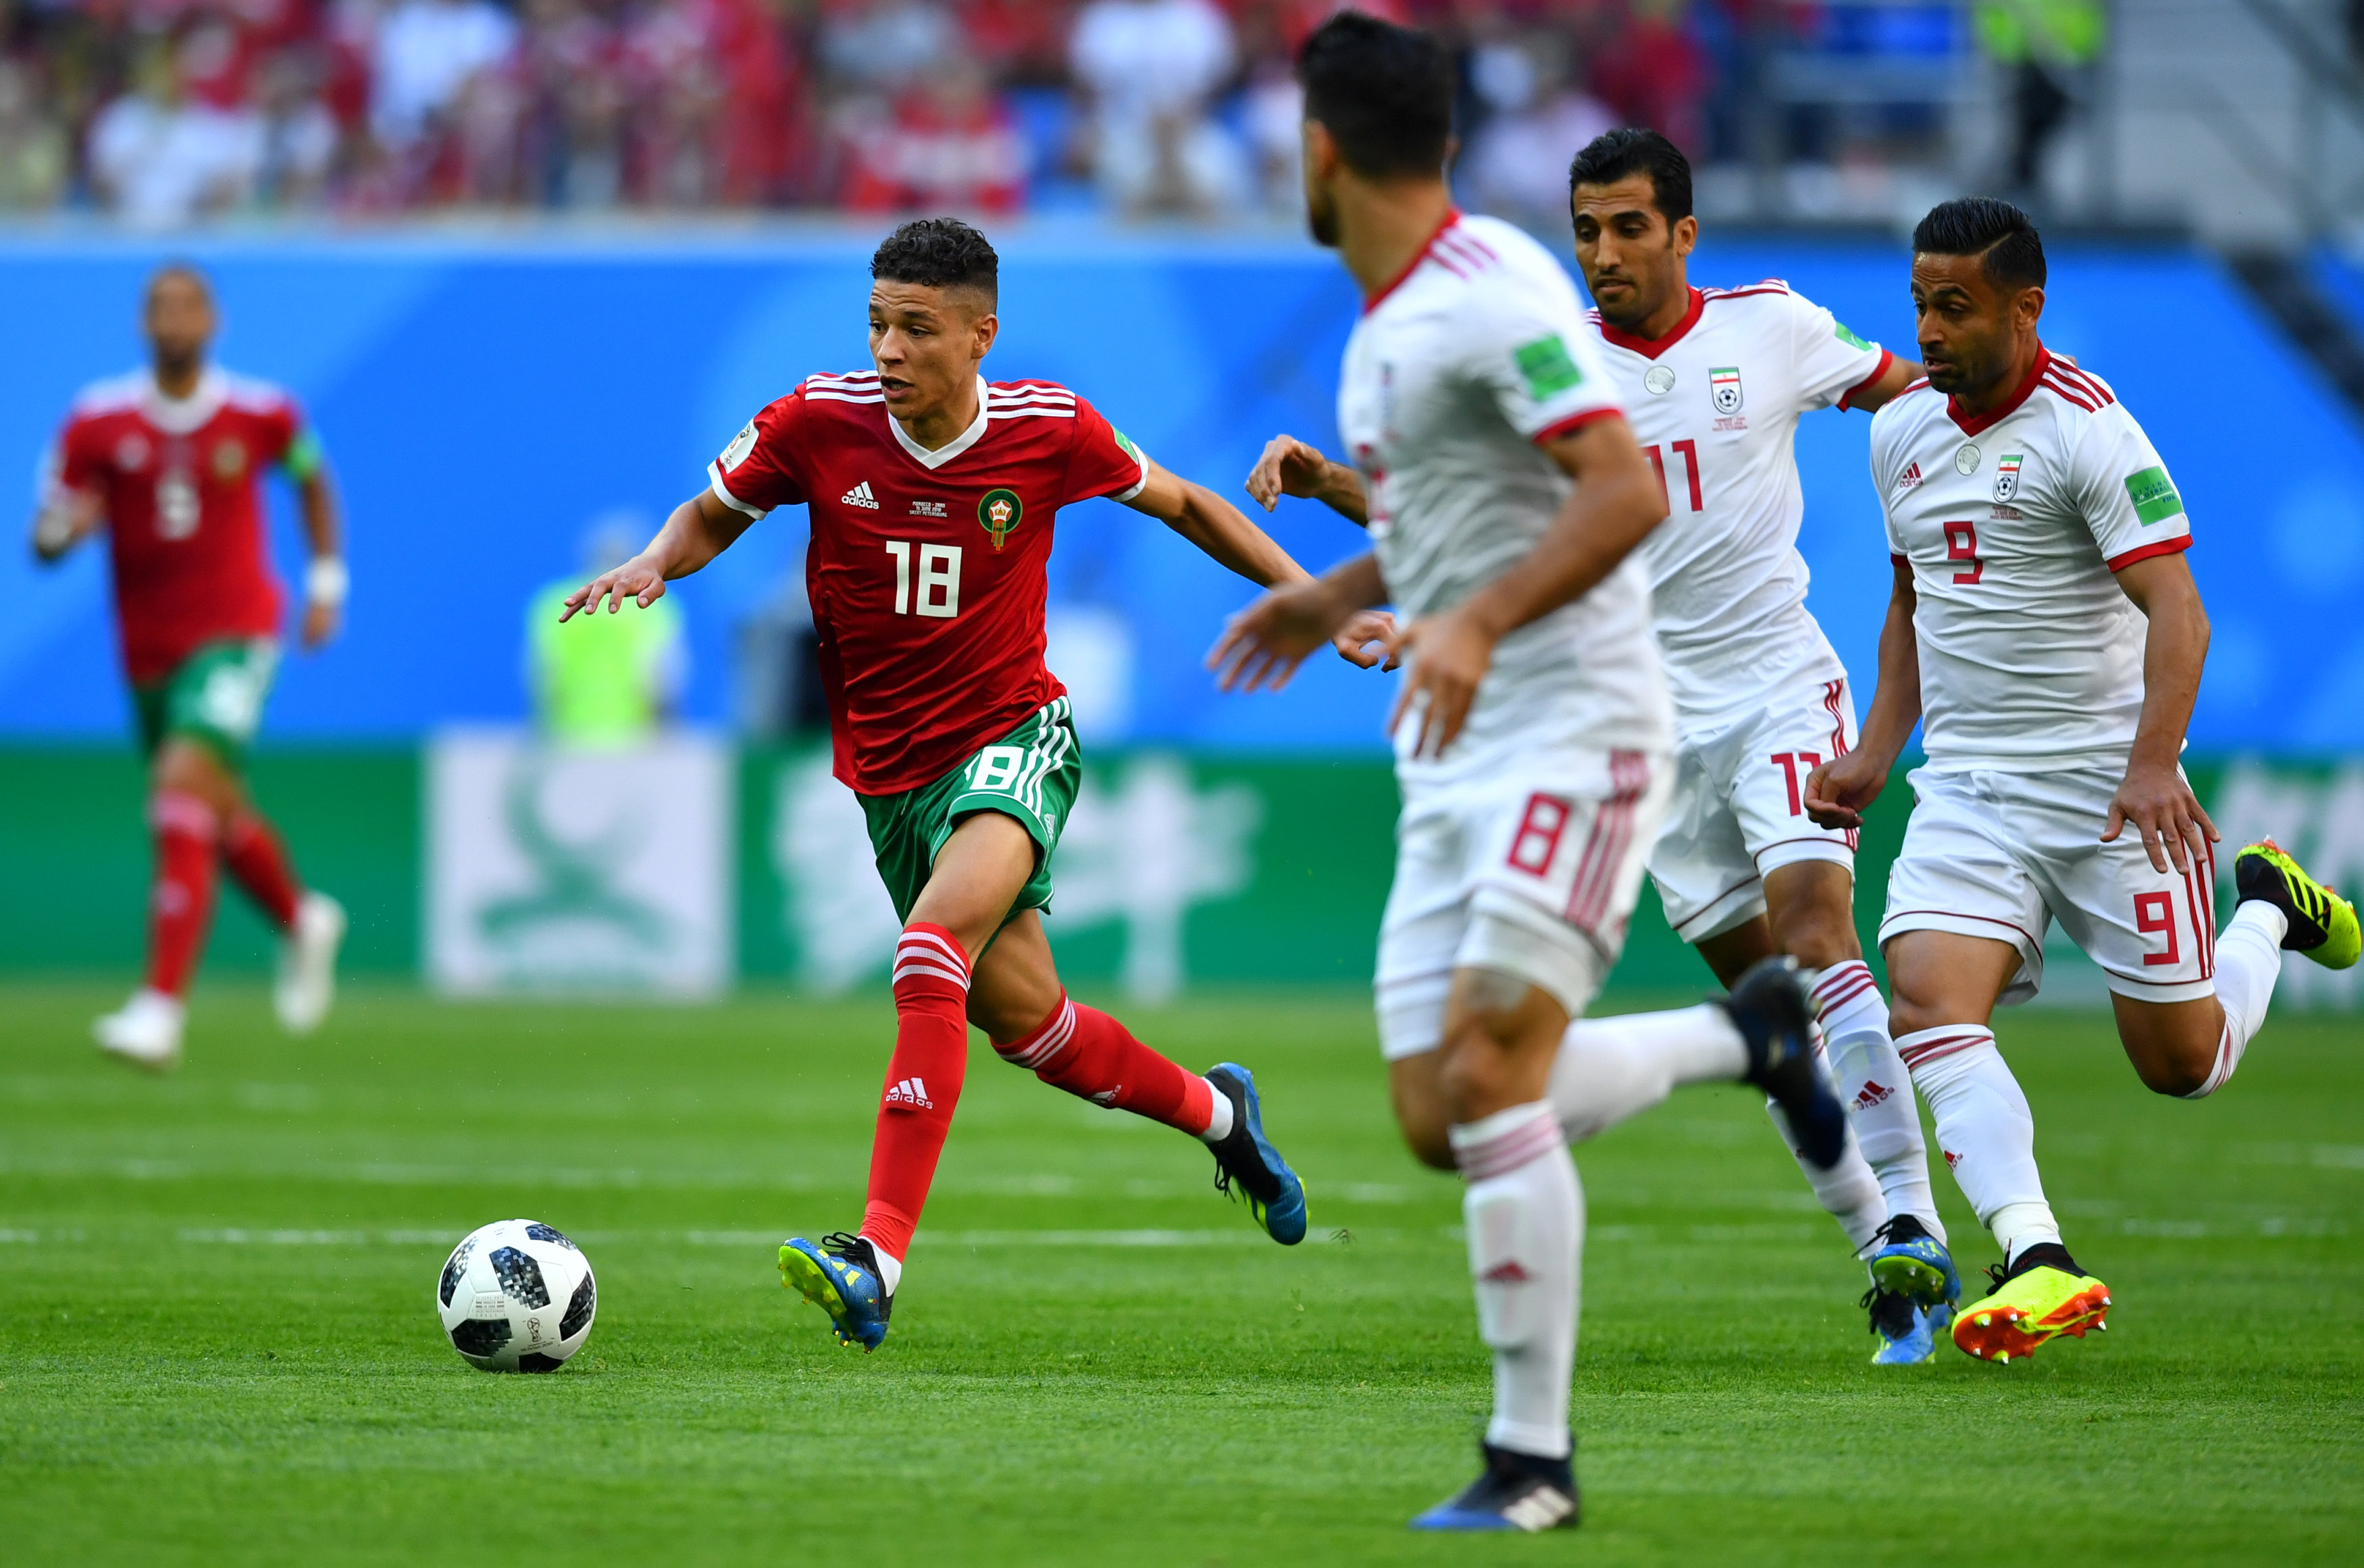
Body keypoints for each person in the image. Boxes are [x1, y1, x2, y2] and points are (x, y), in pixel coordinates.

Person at [1210, 14, 1845, 1532]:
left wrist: (1478, 623)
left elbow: (1616, 490)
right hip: (1461, 748)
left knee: (1495, 1073)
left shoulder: (1489, 295)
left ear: (1317, 150)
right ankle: (1743, 1038)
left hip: (1579, 723)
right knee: (1440, 1116)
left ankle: (1532, 1463)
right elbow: (1453, 523)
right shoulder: (1386, 324)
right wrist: (1332, 590)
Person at [565, 216, 1391, 1353]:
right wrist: (657, 561)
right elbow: (713, 513)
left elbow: (1192, 502)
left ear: (979, 336)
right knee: (1033, 1028)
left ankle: (877, 1257)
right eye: (877, 323)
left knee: (926, 953)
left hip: (1015, 737)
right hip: (890, 780)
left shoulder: (1049, 431)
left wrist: (1322, 602)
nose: (889, 350)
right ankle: (1220, 1112)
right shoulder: (817, 422)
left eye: (916, 328)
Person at [1805, 197, 2360, 1363]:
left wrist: (2154, 763)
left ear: (2025, 306)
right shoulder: (1897, 431)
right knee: (1925, 1003)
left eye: (1955, 307)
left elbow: (2181, 610)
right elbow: (1912, 602)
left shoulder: (2091, 432)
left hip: (2106, 788)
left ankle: (2267, 905)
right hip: (1969, 787)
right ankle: (2037, 1255)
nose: (1931, 330)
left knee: (2184, 1066)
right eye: (1920, 304)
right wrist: (1878, 746)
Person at [1562, 127, 1955, 1365]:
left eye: (1629, 226)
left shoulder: (1773, 326)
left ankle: (1913, 1218)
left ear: (1683, 233)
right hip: (1650, 727)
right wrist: (1325, 483)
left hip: (1779, 682)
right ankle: (1890, 1254)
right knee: (1767, 1008)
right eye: (1586, 228)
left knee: (1814, 927)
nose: (1605, 252)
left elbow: (1916, 391)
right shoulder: (1552, 370)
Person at [32, 263, 350, 1072]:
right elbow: (48, 531)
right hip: (148, 650)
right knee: (205, 809)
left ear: (214, 322)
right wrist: (62, 532)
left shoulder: (263, 413)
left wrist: (324, 581)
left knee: (178, 791)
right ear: (143, 324)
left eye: (188, 307)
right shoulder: (95, 424)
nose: (174, 320)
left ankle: (159, 1009)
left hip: (240, 630)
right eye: (159, 308)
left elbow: (313, 482)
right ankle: (300, 917)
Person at [526, 517, 684, 745]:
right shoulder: (652, 606)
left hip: (567, 737)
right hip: (634, 742)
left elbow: (542, 676)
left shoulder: (554, 603)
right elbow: (663, 681)